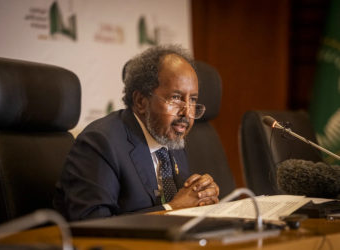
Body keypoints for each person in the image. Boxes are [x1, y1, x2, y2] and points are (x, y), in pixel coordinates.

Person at [54, 45, 220, 221]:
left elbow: (184, 202)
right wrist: (172, 208)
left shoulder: (171, 139)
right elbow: (92, 224)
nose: (187, 113)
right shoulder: (101, 143)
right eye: (176, 98)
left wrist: (201, 197)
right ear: (141, 101)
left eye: (192, 100)